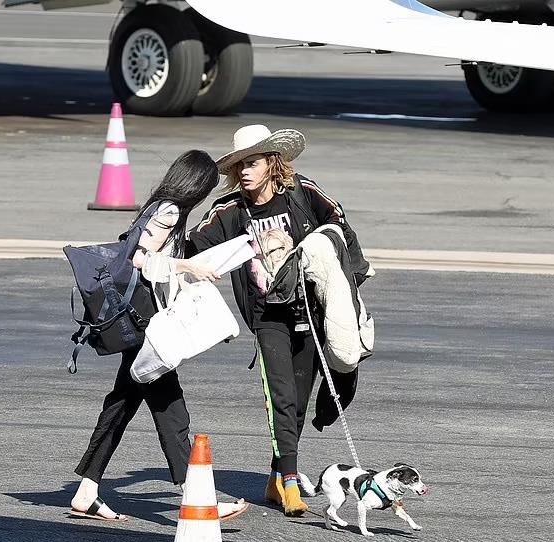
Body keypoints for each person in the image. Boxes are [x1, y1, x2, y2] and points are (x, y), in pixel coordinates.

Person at [188, 125, 369, 517]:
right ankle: (290, 480)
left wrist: (352, 282)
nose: (245, 172)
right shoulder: (231, 211)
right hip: (267, 316)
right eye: (239, 166)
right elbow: (192, 246)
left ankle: (274, 475)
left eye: (251, 163)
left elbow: (341, 229)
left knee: (299, 403)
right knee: (281, 398)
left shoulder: (303, 193)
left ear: (272, 162)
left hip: (310, 312)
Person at [69, 150, 246, 521]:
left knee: (122, 403)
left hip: (143, 322)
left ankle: (87, 489)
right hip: (147, 325)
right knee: (171, 409)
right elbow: (135, 257)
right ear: (196, 186)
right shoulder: (168, 210)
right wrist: (186, 265)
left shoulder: (159, 207)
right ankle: (198, 497)